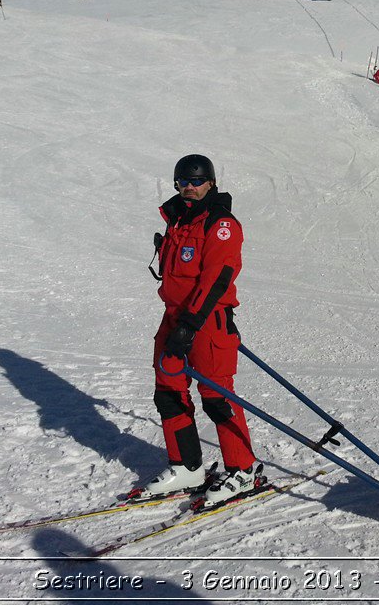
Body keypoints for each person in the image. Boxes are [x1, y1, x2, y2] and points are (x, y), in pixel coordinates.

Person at [142, 154, 262, 506]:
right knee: (168, 391)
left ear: (211, 182)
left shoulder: (221, 224)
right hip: (174, 317)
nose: (189, 188)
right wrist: (178, 325)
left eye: (197, 182)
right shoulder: (178, 221)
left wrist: (189, 326)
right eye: (183, 182)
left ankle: (244, 469)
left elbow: (217, 279)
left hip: (207, 321)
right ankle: (187, 466)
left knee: (218, 397)